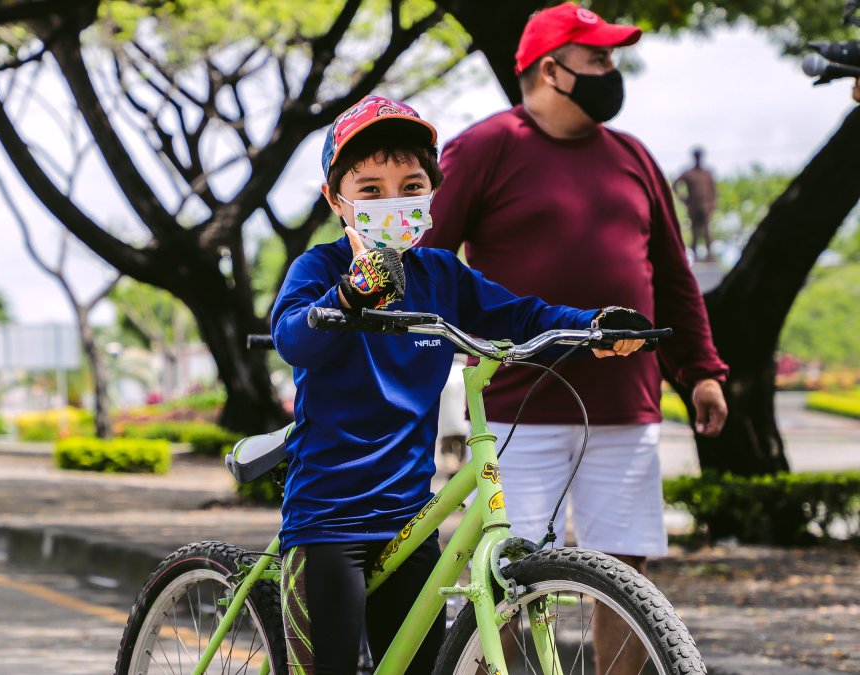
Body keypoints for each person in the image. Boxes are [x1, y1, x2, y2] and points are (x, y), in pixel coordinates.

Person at [271, 94, 652, 675]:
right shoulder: (319, 270)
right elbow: (293, 336)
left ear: (432, 193)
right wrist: (350, 294)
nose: (392, 201)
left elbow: (522, 315)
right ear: (335, 198)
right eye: (370, 190)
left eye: (410, 184)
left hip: (409, 521)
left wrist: (593, 326)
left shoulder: (441, 274)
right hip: (329, 521)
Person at [420, 4, 730, 673]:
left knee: (627, 570)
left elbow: (673, 274)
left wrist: (700, 369)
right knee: (507, 572)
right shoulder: (485, 147)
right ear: (552, 70)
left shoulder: (632, 156)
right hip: (515, 402)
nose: (611, 73)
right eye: (599, 60)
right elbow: (426, 259)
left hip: (625, 402)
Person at [673, 147, 718, 261]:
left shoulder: (707, 173)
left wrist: (713, 202)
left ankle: (709, 256)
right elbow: (676, 184)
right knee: (695, 232)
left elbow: (713, 189)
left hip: (706, 207)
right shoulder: (689, 173)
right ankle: (695, 256)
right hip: (693, 206)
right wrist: (683, 199)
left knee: (707, 231)